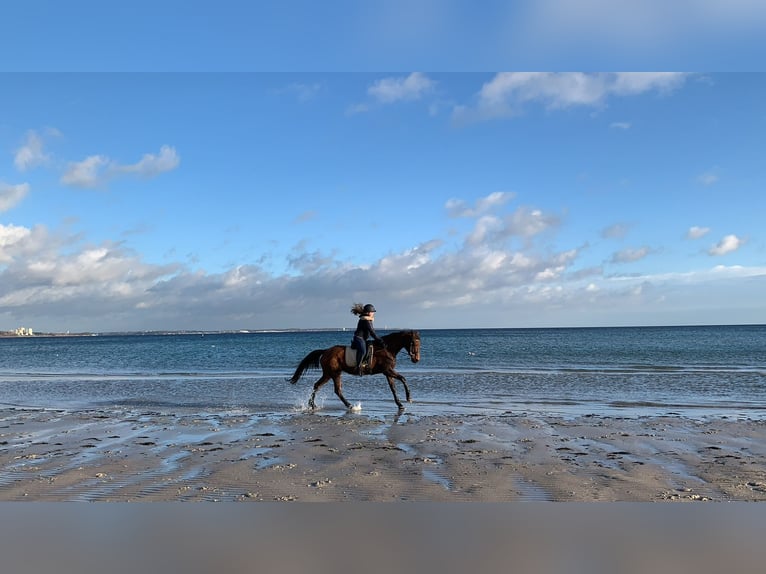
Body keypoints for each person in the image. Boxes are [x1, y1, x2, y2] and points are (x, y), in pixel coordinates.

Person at [350, 303, 385, 375]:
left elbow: (372, 332)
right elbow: (372, 332)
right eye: (372, 312)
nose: (373, 314)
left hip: (363, 339)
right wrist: (379, 340)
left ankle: (367, 363)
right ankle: (358, 367)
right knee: (363, 351)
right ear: (368, 312)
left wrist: (378, 339)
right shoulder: (365, 320)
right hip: (359, 338)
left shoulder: (368, 320)